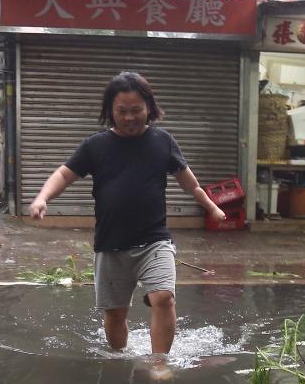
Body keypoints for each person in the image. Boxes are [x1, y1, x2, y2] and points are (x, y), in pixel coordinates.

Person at [29, 71, 227, 357]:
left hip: (154, 240)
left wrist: (212, 207)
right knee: (115, 314)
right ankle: (119, 359)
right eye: (122, 111)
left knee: (163, 298)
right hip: (111, 244)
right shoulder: (96, 146)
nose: (130, 117)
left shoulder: (163, 142)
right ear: (110, 110)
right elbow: (64, 174)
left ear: (149, 108)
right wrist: (42, 198)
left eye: (136, 110)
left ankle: (160, 364)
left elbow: (191, 184)